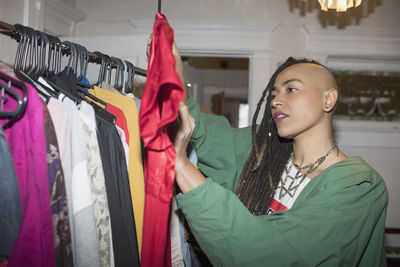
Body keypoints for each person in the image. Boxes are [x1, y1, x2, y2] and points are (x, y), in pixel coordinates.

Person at [168, 42, 388, 266]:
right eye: (273, 94)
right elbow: (208, 134)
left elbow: (268, 254)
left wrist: (182, 166)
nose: (275, 101)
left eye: (291, 89)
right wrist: (176, 77)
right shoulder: (265, 152)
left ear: (328, 99)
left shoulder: (359, 186)